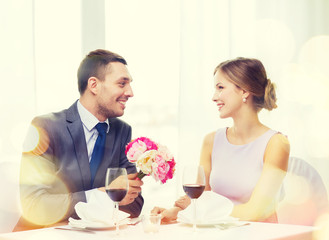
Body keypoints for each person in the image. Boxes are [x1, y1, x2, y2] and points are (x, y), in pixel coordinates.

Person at [152, 57, 290, 223]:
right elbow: (199, 197)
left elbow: (256, 211)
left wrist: (199, 213)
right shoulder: (211, 141)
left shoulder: (276, 143)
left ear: (244, 91)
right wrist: (174, 211)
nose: (214, 97)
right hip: (220, 232)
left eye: (220, 88)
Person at [18, 49, 144, 228]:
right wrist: (101, 195)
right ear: (94, 85)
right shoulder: (45, 127)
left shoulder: (122, 131)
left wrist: (102, 199)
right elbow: (34, 205)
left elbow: (134, 204)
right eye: (122, 83)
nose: (130, 92)